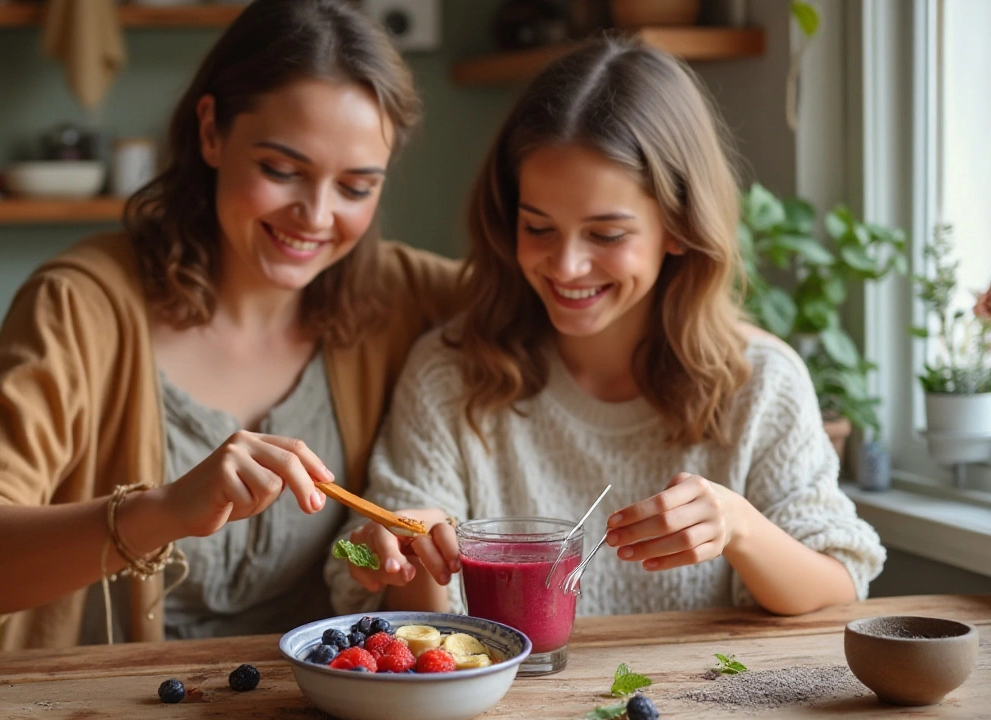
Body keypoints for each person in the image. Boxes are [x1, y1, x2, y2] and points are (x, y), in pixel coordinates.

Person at [0, 0, 460, 650]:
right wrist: (161, 512)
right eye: (282, 170)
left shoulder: (403, 295)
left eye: (357, 187)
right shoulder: (82, 305)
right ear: (211, 132)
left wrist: (396, 552)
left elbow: (568, 287)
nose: (315, 215)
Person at [328, 37, 885, 619]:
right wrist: (405, 556)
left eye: (607, 234)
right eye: (538, 228)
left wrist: (740, 527)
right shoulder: (449, 374)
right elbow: (386, 595)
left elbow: (839, 582)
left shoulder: (761, 383)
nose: (566, 267)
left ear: (678, 226)